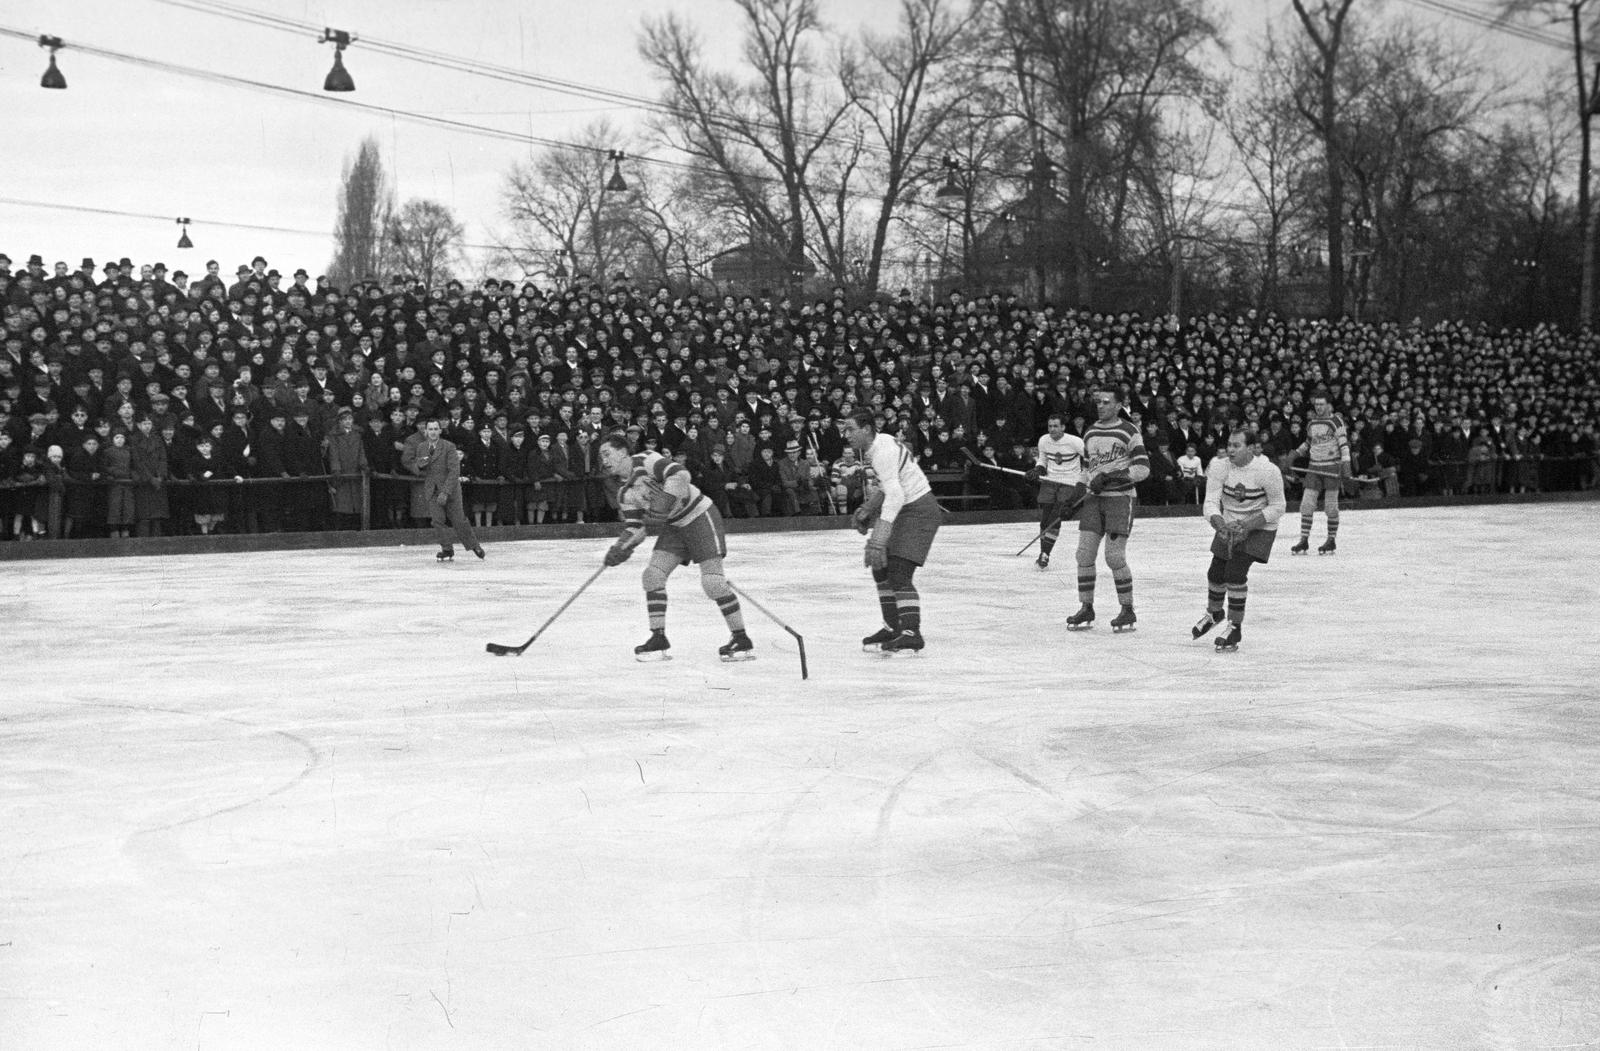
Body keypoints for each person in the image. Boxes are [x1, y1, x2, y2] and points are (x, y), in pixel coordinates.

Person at [596, 432, 753, 663]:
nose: (604, 461)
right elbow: (636, 528)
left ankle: (741, 638)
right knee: (652, 576)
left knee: (712, 583)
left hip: (699, 516)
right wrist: (621, 548)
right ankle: (658, 637)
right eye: (601, 457)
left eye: (607, 454)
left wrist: (663, 502)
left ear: (623, 451)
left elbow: (681, 475)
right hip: (675, 526)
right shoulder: (625, 493)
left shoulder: (646, 459)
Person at [842, 410, 942, 654]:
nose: (846, 435)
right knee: (880, 568)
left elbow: (896, 494)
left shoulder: (882, 452)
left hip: (918, 511)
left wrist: (880, 536)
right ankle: (892, 626)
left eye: (850, 429)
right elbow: (890, 488)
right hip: (907, 508)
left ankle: (911, 633)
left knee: (898, 573)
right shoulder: (880, 443)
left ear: (866, 429)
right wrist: (869, 508)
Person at [1194, 426, 1287, 651]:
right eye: (1229, 445)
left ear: (1252, 448)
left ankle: (1235, 627)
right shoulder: (1218, 466)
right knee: (1215, 573)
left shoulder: (1267, 470)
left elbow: (1278, 506)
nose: (1231, 450)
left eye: (1237, 446)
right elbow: (1210, 502)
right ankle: (1215, 612)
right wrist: (1219, 525)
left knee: (1234, 573)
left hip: (1260, 527)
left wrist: (1247, 525)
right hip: (1229, 524)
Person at [1067, 388, 1150, 632]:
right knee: (1084, 555)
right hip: (1094, 499)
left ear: (1118, 406)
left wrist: (1111, 478)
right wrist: (1076, 493)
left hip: (1120, 500)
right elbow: (1086, 468)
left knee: (1114, 557)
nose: (1100, 406)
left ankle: (1127, 609)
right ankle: (1086, 606)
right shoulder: (1091, 431)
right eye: (1098, 402)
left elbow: (1142, 469)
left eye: (1106, 402)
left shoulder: (1129, 431)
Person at [411, 417, 485, 562]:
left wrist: (445, 492)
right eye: (430, 429)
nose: (433, 432)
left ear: (440, 430)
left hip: (450, 489)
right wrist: (419, 465)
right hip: (432, 489)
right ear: (426, 431)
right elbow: (416, 467)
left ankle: (473, 545)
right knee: (437, 520)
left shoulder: (448, 446)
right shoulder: (421, 447)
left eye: (435, 429)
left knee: (458, 520)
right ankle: (447, 549)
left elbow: (454, 471)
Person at [1290, 389, 1350, 555]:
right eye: (1316, 404)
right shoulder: (1312, 423)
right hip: (1314, 467)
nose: (1318, 407)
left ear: (1329, 405)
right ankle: (1304, 540)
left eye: (1322, 404)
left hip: (1332, 466)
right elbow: (1309, 443)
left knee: (1331, 507)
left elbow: (1344, 444)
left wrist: (1346, 464)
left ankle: (1331, 539)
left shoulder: (1336, 421)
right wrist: (1294, 454)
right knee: (1307, 504)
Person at [1027, 414, 1086, 569]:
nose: (1052, 429)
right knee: (1045, 519)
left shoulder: (1075, 442)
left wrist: (1085, 479)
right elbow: (1043, 459)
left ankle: (1045, 554)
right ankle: (1043, 552)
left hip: (1069, 482)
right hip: (1050, 481)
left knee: (1055, 518)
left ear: (1063, 427)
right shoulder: (1043, 440)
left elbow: (1089, 459)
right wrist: (1038, 469)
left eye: (1055, 426)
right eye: (1050, 426)